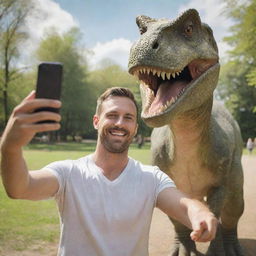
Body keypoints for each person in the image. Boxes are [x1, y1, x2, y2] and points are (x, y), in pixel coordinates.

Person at [0, 87, 218, 256]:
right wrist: (10, 148)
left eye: (128, 118)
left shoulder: (151, 178)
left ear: (135, 128)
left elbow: (184, 205)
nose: (120, 123)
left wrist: (201, 213)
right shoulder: (68, 172)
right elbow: (21, 188)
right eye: (112, 115)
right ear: (96, 121)